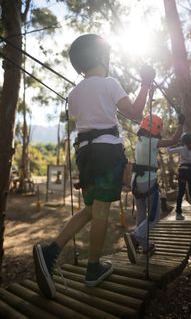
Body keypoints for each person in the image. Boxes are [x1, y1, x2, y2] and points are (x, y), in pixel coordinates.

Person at [33, 33, 153, 298]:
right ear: (101, 57)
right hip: (106, 152)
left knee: (90, 210)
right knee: (102, 213)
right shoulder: (110, 83)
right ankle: (93, 267)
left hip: (85, 154)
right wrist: (145, 84)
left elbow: (80, 115)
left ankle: (51, 250)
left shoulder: (74, 93)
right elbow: (134, 113)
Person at [124, 113, 185, 264]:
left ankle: (145, 246)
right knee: (153, 218)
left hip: (136, 181)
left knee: (141, 217)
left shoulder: (140, 140)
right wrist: (181, 124)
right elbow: (174, 140)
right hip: (148, 182)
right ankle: (134, 237)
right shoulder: (153, 141)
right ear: (156, 129)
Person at [167, 132, 191, 220]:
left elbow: (168, 151)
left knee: (181, 192)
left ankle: (178, 214)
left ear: (183, 141)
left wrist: (172, 145)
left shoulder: (181, 148)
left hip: (183, 172)